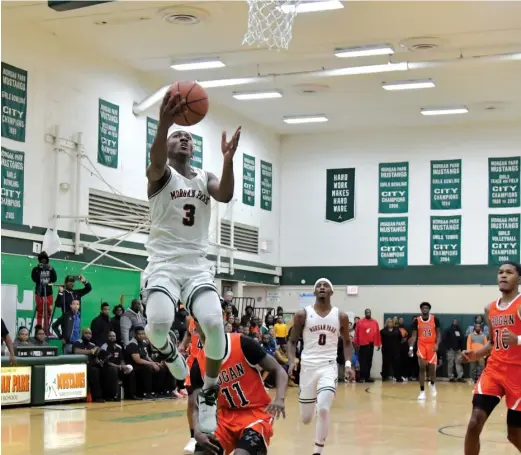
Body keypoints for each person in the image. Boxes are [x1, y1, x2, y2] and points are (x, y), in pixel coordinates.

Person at [142, 90, 241, 433]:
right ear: (166, 146)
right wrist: (164, 123)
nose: (184, 138)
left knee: (214, 323)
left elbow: (225, 194)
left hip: (197, 265)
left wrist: (228, 160)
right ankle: (171, 354)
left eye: (187, 136)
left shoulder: (204, 176)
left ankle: (211, 392)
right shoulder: (160, 174)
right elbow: (155, 160)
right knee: (157, 325)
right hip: (164, 264)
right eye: (177, 136)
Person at [191, 323, 287, 455]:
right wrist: (197, 429)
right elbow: (196, 406)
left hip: (256, 414)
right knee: (201, 452)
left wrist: (280, 398)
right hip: (224, 418)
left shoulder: (242, 343)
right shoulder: (198, 365)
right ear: (196, 332)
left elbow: (278, 369)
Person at [287, 278, 354, 455]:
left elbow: (347, 343)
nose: (322, 287)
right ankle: (313, 407)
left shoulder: (341, 316)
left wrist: (347, 364)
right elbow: (292, 341)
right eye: (318, 285)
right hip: (308, 367)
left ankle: (318, 450)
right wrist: (292, 360)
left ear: (331, 292)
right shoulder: (302, 314)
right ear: (314, 292)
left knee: (324, 408)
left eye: (326, 286)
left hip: (328, 366)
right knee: (306, 418)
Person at [462, 261, 521, 454]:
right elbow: (494, 342)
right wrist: (475, 354)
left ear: (518, 279)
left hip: (518, 374)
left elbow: (513, 339)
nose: (503, 275)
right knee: (474, 423)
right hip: (494, 370)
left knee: (514, 434)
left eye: (509, 272)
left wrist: (518, 339)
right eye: (500, 272)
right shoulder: (490, 309)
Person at [180, 314, 204, 454]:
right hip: (193, 362)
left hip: (209, 360)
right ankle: (193, 436)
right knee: (191, 401)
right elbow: (188, 334)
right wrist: (182, 345)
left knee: (211, 401)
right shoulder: (190, 319)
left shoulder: (210, 318)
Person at [408, 302, 441, 400]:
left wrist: (437, 344)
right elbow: (414, 336)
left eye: (427, 308)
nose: (425, 309)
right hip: (421, 344)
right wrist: (410, 348)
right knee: (422, 367)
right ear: (421, 309)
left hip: (431, 345)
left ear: (429, 309)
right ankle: (422, 391)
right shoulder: (416, 321)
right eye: (423, 308)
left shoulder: (435, 319)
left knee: (432, 369)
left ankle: (432, 384)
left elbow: (439, 334)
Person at [31, 251, 57, 330]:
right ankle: (38, 329)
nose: (43, 261)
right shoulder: (35, 269)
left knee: (48, 312)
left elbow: (54, 279)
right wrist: (38, 269)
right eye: (41, 259)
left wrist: (51, 269)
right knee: (39, 311)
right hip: (39, 293)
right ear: (39, 260)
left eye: (45, 259)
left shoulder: (50, 268)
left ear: (47, 260)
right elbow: (34, 279)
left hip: (48, 293)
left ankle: (46, 329)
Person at [354, 308, 381, 383]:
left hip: (371, 344)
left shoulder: (374, 322)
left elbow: (377, 333)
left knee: (369, 361)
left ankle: (367, 377)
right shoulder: (360, 322)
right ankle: (362, 377)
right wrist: (356, 343)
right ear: (365, 313)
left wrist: (378, 344)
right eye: (367, 312)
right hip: (362, 345)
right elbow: (356, 333)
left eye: (369, 312)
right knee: (363, 361)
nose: (368, 313)